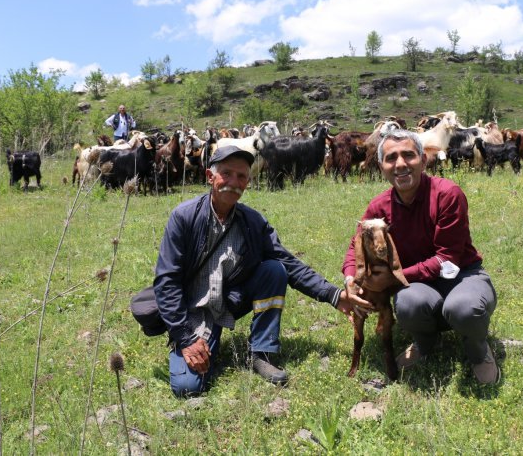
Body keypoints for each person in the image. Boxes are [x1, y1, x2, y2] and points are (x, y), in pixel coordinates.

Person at [154, 145, 371, 397]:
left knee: (274, 270)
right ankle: (202, 340)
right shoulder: (184, 217)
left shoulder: (252, 222)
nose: (234, 182)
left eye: (242, 176)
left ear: (247, 182)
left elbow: (288, 263)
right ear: (209, 176)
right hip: (194, 309)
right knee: (187, 388)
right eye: (227, 173)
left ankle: (261, 352)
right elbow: (167, 282)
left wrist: (334, 296)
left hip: (228, 301)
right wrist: (185, 338)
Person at [342, 129, 500, 384]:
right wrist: (350, 279)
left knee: (463, 308)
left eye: (408, 155)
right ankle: (425, 341)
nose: (400, 164)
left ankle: (478, 350)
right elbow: (356, 244)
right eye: (391, 158)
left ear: (423, 160)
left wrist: (395, 278)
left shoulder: (447, 194)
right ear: (381, 166)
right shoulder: (379, 206)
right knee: (407, 304)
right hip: (419, 283)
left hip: (461, 274)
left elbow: (447, 258)